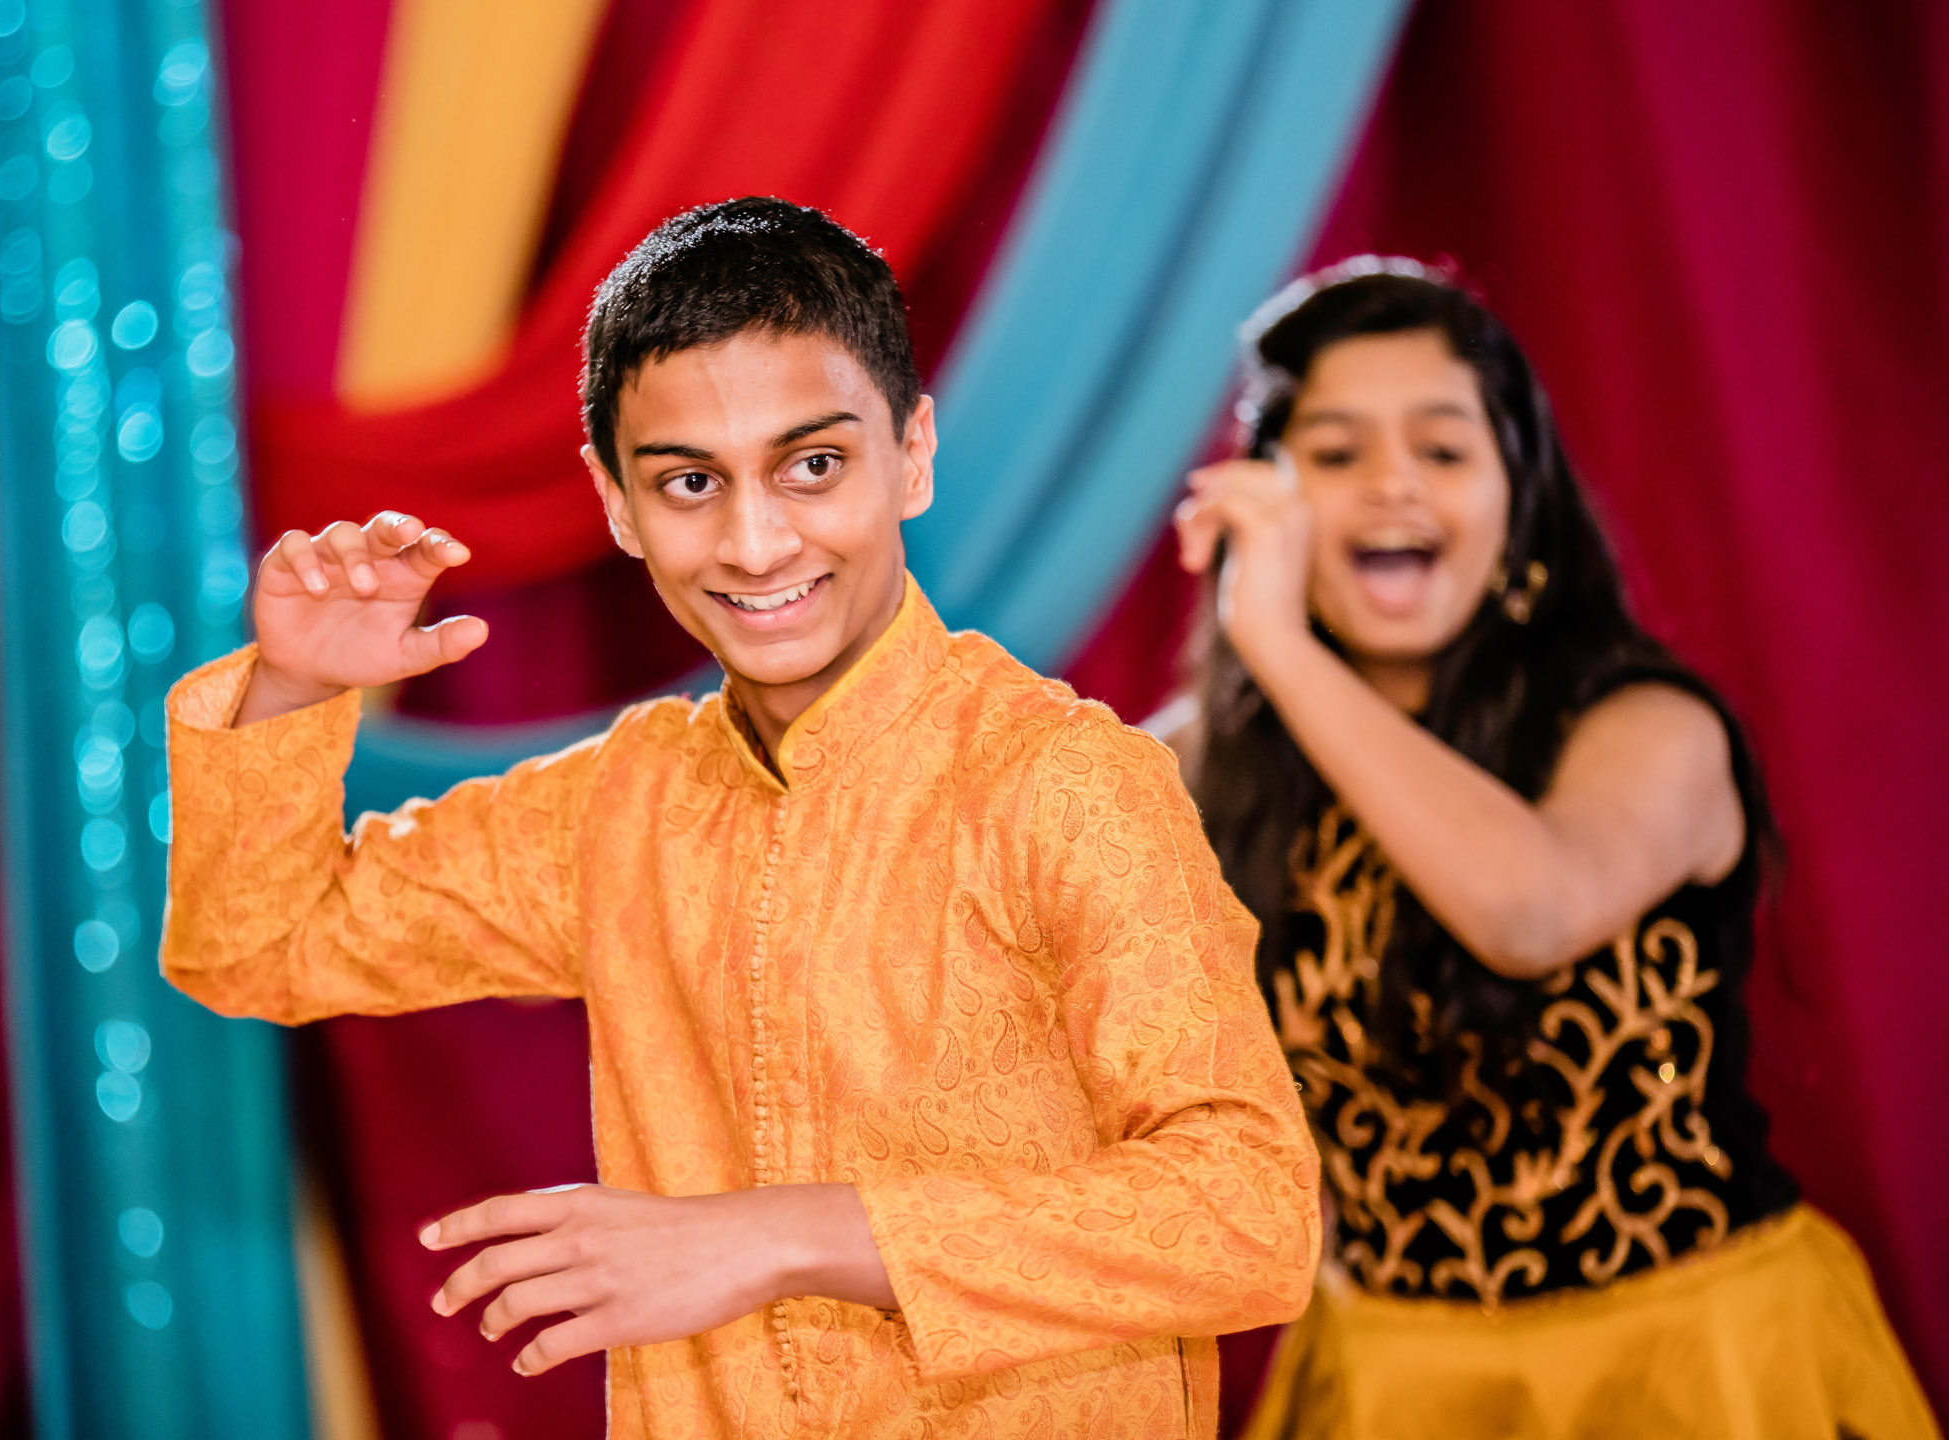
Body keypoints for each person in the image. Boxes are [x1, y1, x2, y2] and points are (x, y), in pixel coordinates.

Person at [161, 197, 1320, 1439]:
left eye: (811, 464)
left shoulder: (1064, 785)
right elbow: (256, 944)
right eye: (689, 483)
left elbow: (1250, 1214)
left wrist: (779, 1239)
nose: (756, 542)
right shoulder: (621, 802)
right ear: (615, 503)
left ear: (913, 454)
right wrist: (296, 690)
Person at [1165, 258, 1939, 1439]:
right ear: (1262, 500)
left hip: (1692, 1371)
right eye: (1334, 454)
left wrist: (1277, 646)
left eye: (1441, 448)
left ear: (1519, 497)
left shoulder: (1647, 731)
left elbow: (1530, 912)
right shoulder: (1202, 774)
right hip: (1393, 1384)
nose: (1391, 488)